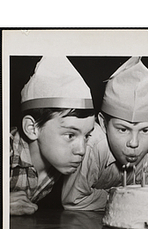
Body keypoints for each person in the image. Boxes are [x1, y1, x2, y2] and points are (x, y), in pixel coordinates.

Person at [62, 57, 148, 211]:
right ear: (103, 123)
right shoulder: (92, 144)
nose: (134, 143)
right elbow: (73, 201)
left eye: (145, 130)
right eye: (123, 129)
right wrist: (127, 198)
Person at [10, 56, 95, 215]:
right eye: (70, 135)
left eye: (87, 136)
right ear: (32, 128)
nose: (82, 150)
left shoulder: (57, 160)